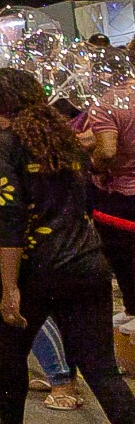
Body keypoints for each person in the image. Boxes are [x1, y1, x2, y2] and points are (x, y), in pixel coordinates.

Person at [0, 68, 135, 424]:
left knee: (11, 353)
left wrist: (11, 286)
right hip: (88, 263)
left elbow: (11, 220)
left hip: (37, 268)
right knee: (104, 374)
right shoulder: (64, 140)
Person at [85, 99, 135, 334]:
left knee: (124, 256)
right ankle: (131, 308)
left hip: (121, 193)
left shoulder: (107, 103)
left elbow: (106, 150)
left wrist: (94, 167)